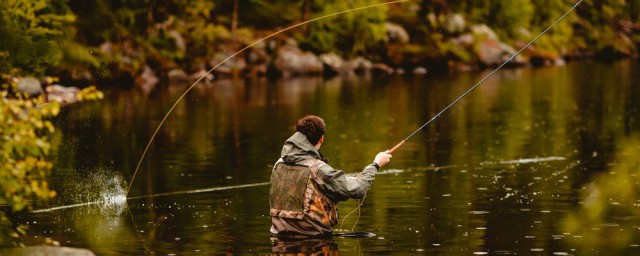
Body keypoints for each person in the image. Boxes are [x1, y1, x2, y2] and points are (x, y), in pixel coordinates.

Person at [269, 115, 392, 237]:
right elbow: (358, 189)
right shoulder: (318, 169)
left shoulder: (279, 164)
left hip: (278, 239)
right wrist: (376, 164)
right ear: (321, 139)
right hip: (314, 242)